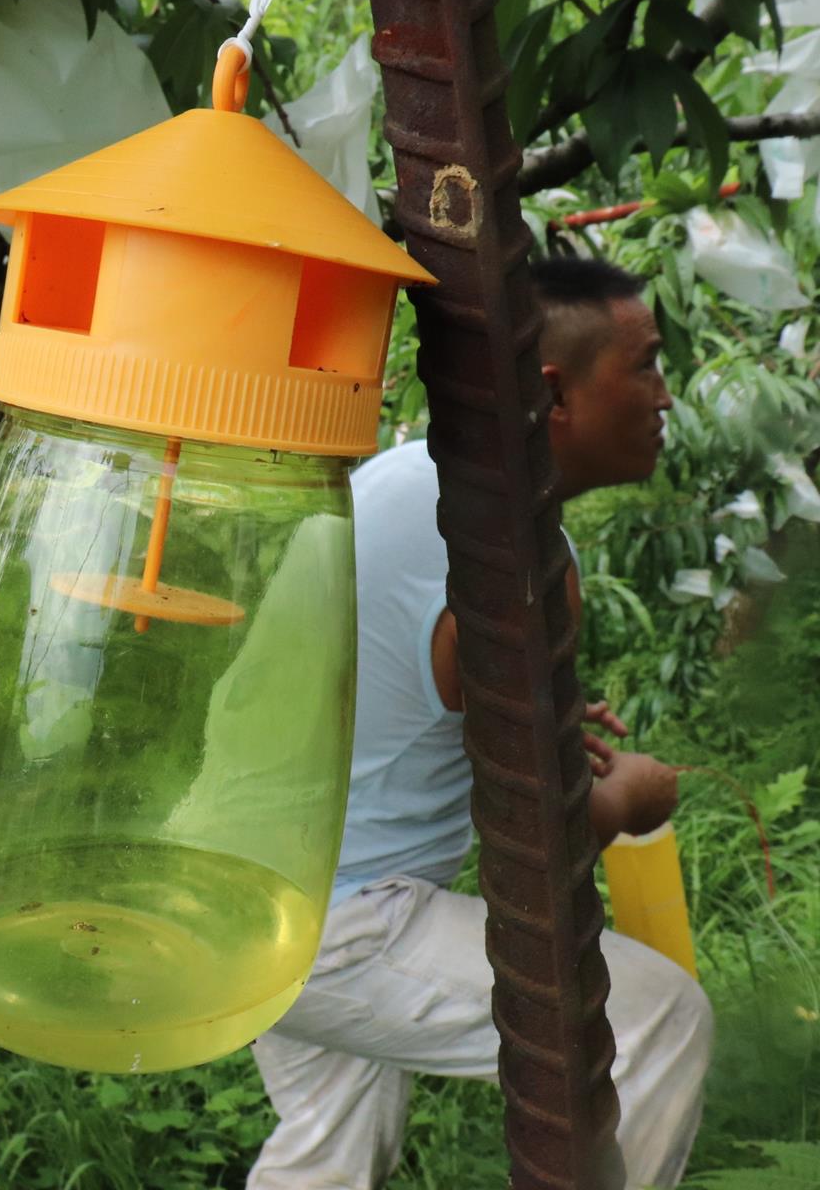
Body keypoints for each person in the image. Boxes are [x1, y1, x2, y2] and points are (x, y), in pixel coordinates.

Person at [248, 258, 711, 1189]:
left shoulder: (413, 479)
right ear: (555, 394)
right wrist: (628, 798)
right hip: (339, 925)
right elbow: (540, 847)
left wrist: (528, 723)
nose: (666, 395)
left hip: (239, 874)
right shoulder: (517, 554)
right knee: (656, 1023)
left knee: (333, 1153)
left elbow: (392, 683)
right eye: (646, 366)